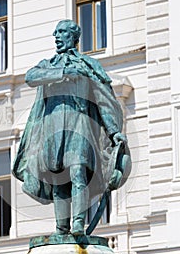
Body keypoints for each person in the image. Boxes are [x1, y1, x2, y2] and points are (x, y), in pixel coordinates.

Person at [13, 19, 128, 235]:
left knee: (77, 172)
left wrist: (113, 131)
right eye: (55, 33)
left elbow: (103, 100)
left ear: (74, 37)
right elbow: (31, 77)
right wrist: (63, 71)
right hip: (53, 126)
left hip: (80, 123)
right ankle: (61, 227)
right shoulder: (48, 65)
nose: (56, 36)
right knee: (58, 179)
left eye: (62, 32)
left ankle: (77, 222)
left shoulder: (88, 66)